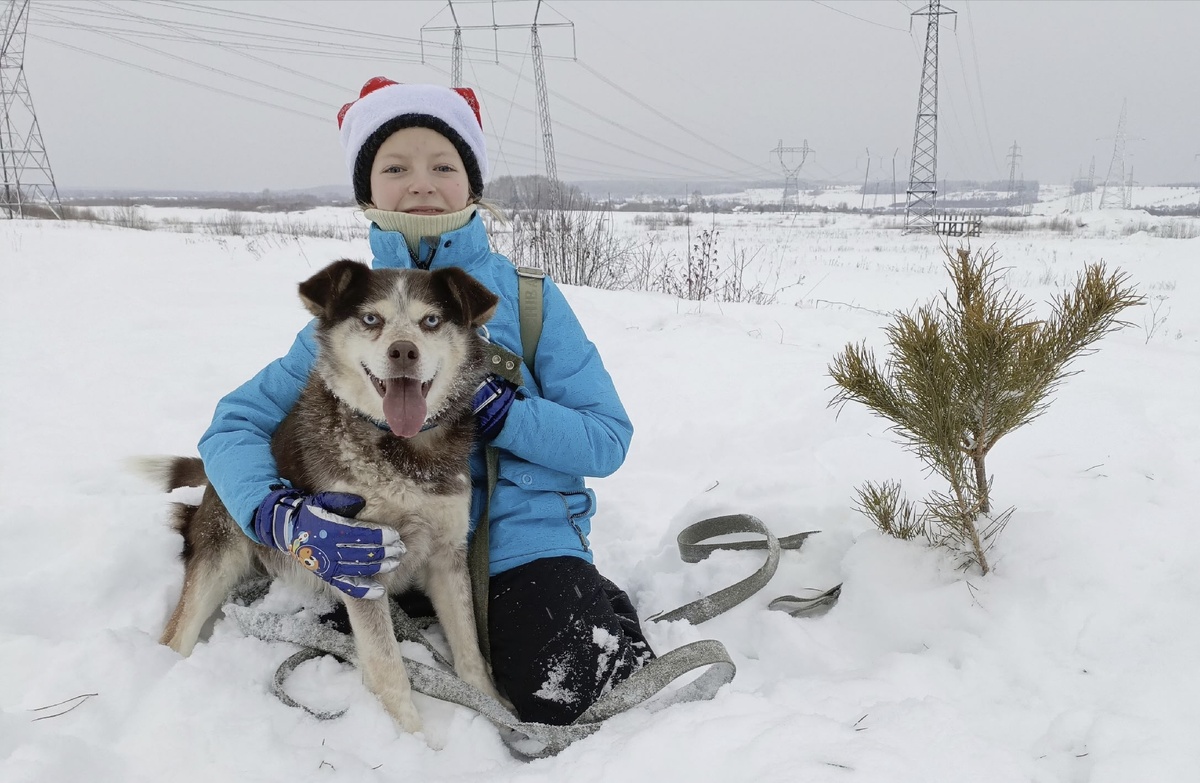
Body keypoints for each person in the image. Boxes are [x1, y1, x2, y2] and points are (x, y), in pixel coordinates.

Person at [197, 78, 653, 726]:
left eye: (444, 165)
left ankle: (595, 608)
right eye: (395, 166)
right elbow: (233, 426)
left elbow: (607, 438)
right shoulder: (348, 321)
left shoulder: (529, 301)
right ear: (367, 190)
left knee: (561, 692)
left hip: (518, 550)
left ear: (472, 183)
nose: (421, 182)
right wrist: (281, 516)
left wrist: (508, 415)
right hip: (396, 554)